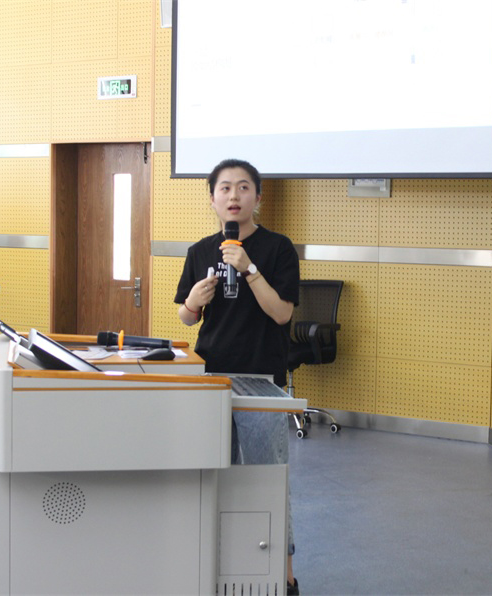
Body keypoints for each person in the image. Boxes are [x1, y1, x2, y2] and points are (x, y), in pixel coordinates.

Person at [174, 158, 301, 594]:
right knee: (213, 476)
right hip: (211, 377)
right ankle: (217, 569)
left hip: (261, 377)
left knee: (269, 479)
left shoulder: (279, 248)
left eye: (244, 187)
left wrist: (249, 268)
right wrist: (192, 301)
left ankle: (284, 576)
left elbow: (281, 313)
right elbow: (187, 318)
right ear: (212, 199)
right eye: (225, 188)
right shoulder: (199, 252)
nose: (234, 195)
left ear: (257, 198)